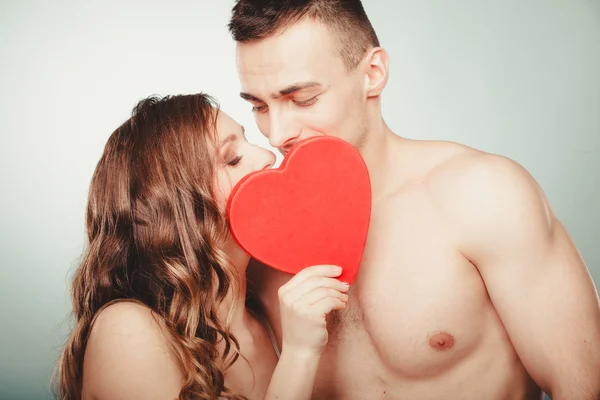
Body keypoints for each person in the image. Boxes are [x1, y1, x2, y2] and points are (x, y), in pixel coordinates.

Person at [227, 1, 600, 399]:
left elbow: (583, 386)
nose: (277, 133)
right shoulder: (254, 244)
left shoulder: (482, 195)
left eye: (303, 99)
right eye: (259, 106)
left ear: (373, 74)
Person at [53, 93, 351, 400]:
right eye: (232, 158)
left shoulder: (270, 317)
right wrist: (299, 356)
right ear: (179, 210)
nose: (267, 156)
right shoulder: (127, 332)